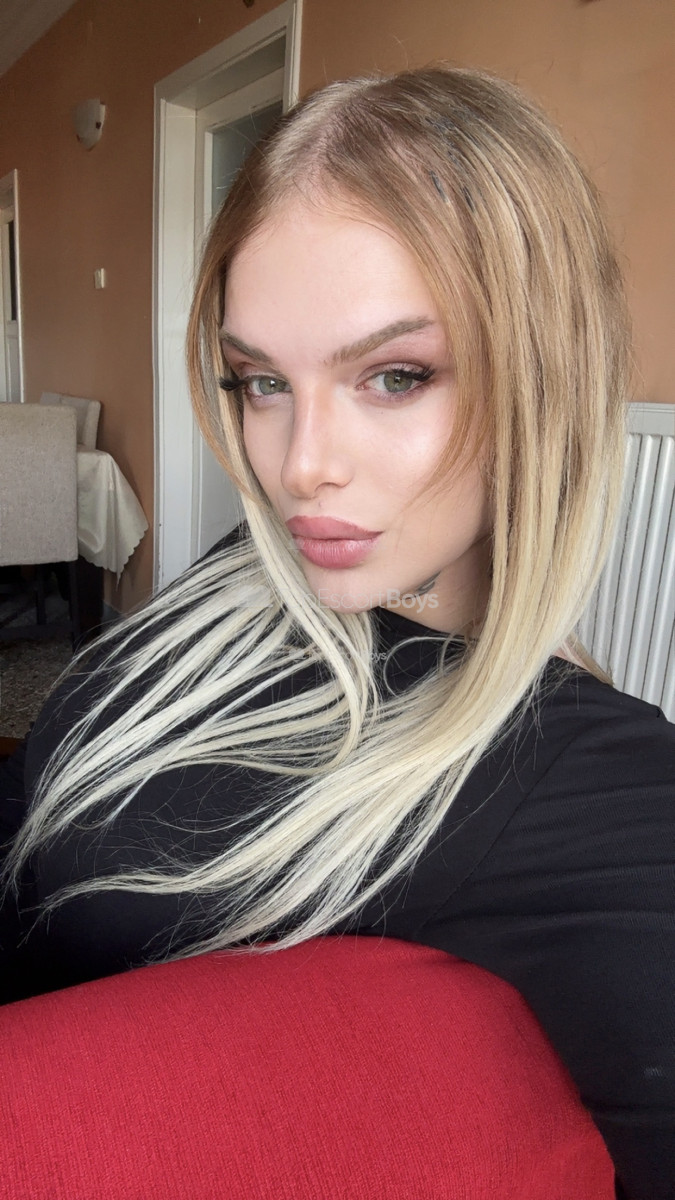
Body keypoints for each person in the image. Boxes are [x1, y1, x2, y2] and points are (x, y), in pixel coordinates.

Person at [0, 65, 673, 1197]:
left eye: (395, 375)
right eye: (260, 382)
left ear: (545, 373)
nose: (299, 466)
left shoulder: (590, 784)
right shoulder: (257, 571)